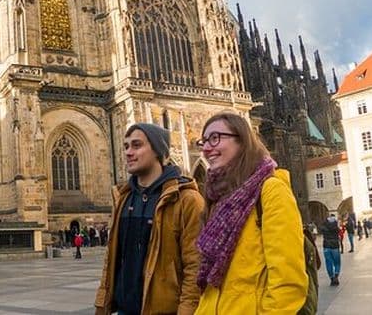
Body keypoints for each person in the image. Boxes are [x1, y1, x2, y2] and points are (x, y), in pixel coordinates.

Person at [194, 112, 307, 314]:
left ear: (242, 141)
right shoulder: (218, 198)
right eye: (203, 142)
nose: (206, 148)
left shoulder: (271, 190)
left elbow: (288, 284)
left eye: (215, 138)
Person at [95, 123, 204, 315]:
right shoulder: (123, 198)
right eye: (126, 146)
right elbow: (112, 259)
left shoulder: (187, 199)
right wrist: (102, 304)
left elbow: (195, 266)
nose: (128, 152)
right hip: (124, 310)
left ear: (158, 151)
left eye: (136, 145)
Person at [321, 214, 342, 285]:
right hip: (335, 246)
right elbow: (340, 231)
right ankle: (336, 276)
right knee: (337, 262)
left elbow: (321, 230)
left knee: (328, 263)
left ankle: (332, 278)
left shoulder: (324, 224)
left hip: (326, 246)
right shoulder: (336, 225)